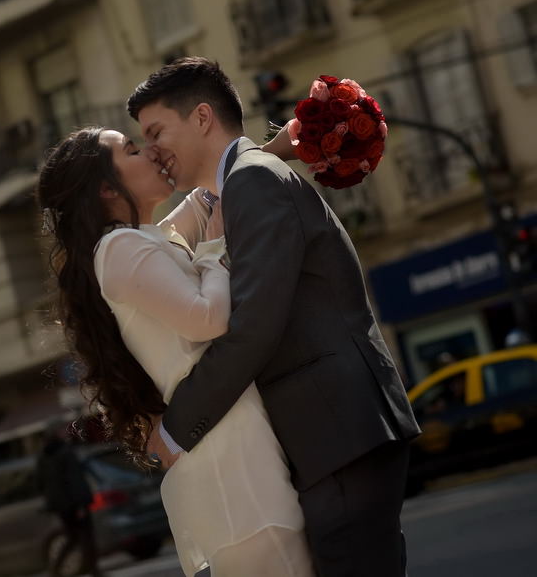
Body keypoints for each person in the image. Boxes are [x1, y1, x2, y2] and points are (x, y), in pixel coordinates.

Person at [131, 57, 421, 576]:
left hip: (337, 435)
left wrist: (175, 432)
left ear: (201, 118)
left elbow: (253, 328)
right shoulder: (246, 178)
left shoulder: (253, 181)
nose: (152, 151)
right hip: (336, 434)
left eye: (156, 132)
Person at [37, 126, 314, 576]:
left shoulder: (144, 239)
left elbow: (207, 204)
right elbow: (208, 318)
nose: (150, 152)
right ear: (107, 188)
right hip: (231, 460)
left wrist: (275, 148)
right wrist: (215, 249)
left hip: (235, 442)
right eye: (131, 149)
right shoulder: (119, 247)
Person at [35, 424, 104, 577]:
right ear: (55, 434)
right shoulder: (66, 453)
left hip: (61, 507)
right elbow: (75, 480)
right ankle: (95, 572)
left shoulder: (43, 456)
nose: (64, 433)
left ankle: (56, 569)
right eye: (61, 430)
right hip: (75, 503)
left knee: (72, 538)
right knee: (86, 538)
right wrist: (81, 504)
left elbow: (40, 483)